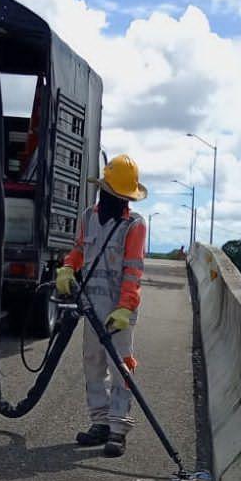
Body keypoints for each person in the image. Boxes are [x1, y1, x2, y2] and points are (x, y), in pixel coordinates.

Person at [56, 155, 148, 458]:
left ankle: (118, 429)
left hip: (119, 311)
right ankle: (100, 422)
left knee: (120, 368)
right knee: (93, 364)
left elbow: (133, 270)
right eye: (116, 195)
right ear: (105, 190)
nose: (120, 202)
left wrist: (124, 308)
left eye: (124, 198)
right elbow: (80, 250)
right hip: (91, 306)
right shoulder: (88, 216)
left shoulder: (134, 225)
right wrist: (68, 268)